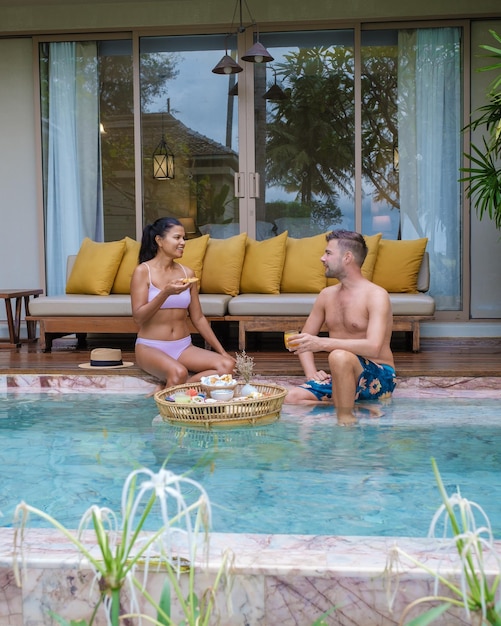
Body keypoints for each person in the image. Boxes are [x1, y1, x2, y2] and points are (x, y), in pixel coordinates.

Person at [284, 229, 397, 424]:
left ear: (347, 257)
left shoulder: (376, 295)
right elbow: (303, 340)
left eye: (328, 253)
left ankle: (346, 424)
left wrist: (322, 343)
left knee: (339, 355)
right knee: (291, 399)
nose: (322, 258)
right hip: (341, 376)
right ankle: (357, 407)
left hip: (378, 375)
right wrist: (311, 373)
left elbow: (373, 346)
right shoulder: (326, 295)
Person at [130, 217, 235, 388]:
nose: (183, 242)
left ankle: (180, 385)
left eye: (184, 238)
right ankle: (177, 385)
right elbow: (138, 318)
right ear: (159, 241)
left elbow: (199, 318)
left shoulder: (187, 272)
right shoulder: (143, 271)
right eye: (177, 237)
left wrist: (223, 352)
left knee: (227, 366)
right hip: (151, 347)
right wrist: (165, 293)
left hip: (183, 347)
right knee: (178, 372)